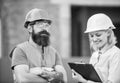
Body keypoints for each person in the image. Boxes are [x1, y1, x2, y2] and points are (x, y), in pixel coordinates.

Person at [9, 8, 67, 83]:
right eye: (40, 25)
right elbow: (23, 79)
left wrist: (39, 72)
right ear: (30, 28)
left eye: (46, 25)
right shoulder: (20, 50)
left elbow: (64, 79)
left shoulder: (54, 52)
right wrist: (53, 77)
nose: (44, 28)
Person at [72, 13, 120, 83]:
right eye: (91, 36)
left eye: (98, 35)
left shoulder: (116, 54)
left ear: (108, 32)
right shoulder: (95, 54)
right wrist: (82, 73)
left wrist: (84, 81)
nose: (94, 39)